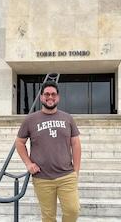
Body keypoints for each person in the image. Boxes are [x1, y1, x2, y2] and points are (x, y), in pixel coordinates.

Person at [15, 80, 81, 222]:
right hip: (42, 178)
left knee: (73, 210)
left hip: (66, 175)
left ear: (58, 97)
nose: (50, 97)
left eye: (53, 94)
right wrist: (28, 164)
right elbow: (19, 143)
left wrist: (76, 170)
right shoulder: (31, 119)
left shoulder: (67, 118)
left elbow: (75, 143)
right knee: (48, 217)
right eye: (46, 94)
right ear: (41, 97)